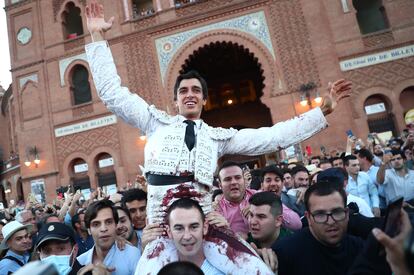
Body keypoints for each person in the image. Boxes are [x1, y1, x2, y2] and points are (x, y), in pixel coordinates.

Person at [84, 0, 351, 273]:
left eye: (196, 91)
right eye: (184, 91)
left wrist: (322, 111)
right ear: (175, 101)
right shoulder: (154, 122)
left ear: (204, 100)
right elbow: (113, 95)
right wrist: (96, 37)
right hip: (161, 232)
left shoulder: (217, 137)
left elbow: (272, 137)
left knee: (257, 270)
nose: (190, 95)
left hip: (207, 227)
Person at [273, 182, 364, 275]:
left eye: (337, 212)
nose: (330, 222)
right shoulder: (284, 253)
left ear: (347, 213)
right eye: (320, 214)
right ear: (308, 218)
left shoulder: (361, 249)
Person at [161, 198, 224, 274]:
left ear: (205, 228)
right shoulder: (157, 269)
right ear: (169, 232)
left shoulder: (226, 270)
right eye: (179, 228)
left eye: (194, 227)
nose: (187, 236)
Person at [77, 200, 141, 275]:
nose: (103, 229)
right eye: (96, 224)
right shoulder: (80, 261)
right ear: (89, 230)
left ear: (116, 225)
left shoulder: (132, 254)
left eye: (109, 222)